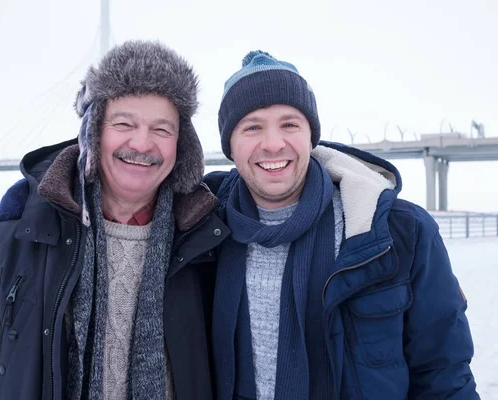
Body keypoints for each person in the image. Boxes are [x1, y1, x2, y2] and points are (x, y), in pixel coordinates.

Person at [0, 40, 228, 400]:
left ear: (182, 146)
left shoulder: (205, 242)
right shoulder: (14, 240)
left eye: (162, 129)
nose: (142, 142)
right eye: (124, 123)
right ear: (94, 133)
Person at [205, 50, 479, 399]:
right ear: (230, 143)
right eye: (252, 127)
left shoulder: (399, 233)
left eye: (290, 124)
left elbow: (444, 375)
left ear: (311, 136)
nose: (273, 144)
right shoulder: (203, 233)